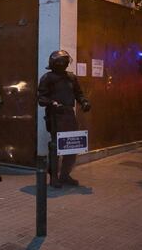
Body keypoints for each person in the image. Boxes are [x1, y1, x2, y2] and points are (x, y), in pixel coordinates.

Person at [38, 50, 91, 188]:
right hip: (55, 115)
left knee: (72, 145)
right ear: (54, 63)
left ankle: (65, 175)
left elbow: (78, 94)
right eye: (60, 61)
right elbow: (41, 98)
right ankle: (54, 177)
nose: (63, 64)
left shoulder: (71, 77)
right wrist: (52, 103)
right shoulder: (47, 78)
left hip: (69, 114)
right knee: (55, 146)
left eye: (64, 61)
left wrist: (84, 102)